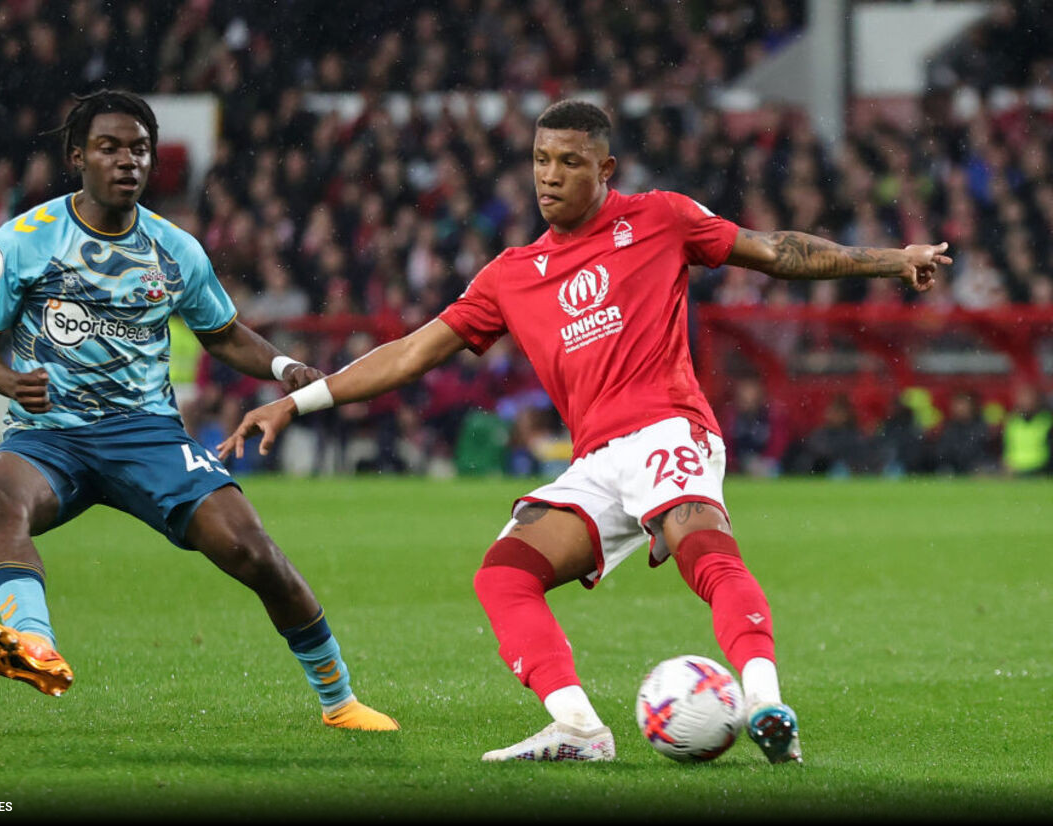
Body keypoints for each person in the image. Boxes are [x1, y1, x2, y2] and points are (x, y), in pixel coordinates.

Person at [221, 100, 952, 763]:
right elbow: (412, 352)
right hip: (596, 460)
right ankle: (577, 728)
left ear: (606, 170)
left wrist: (893, 260)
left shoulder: (661, 218)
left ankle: (763, 700)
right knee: (504, 574)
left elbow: (773, 250)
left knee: (703, 548)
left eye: (570, 162)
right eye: (541, 160)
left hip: (669, 426)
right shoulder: (512, 274)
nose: (551, 176)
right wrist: (299, 400)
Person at [0, 90, 398, 731]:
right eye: (109, 147)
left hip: (149, 435)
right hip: (48, 434)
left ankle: (340, 700)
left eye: (139, 148)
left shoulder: (175, 250)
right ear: (78, 156)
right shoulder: (25, 239)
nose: (127, 160)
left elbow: (222, 333)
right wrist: (8, 381)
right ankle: (34, 643)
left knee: (253, 551)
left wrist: (284, 368)